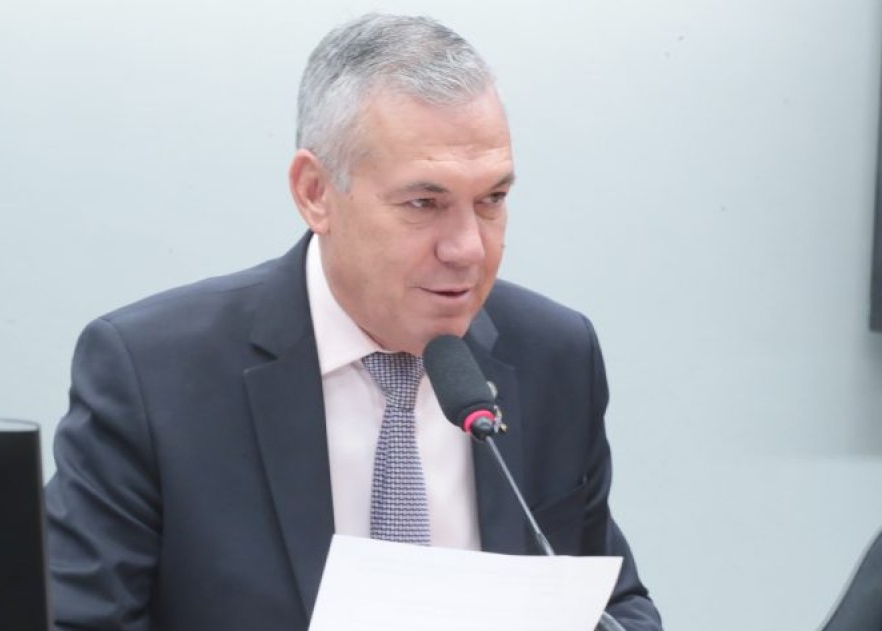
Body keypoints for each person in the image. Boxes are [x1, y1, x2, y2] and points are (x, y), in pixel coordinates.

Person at [45, 13, 663, 631]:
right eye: (424, 203)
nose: (468, 248)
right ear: (315, 192)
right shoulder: (152, 375)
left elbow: (614, 605)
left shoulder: (554, 355)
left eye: (492, 200)